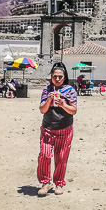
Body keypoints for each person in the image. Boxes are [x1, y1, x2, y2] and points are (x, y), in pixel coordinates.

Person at [37, 63, 77, 197]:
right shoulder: (47, 90)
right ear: (51, 77)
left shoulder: (70, 90)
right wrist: (49, 100)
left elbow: (73, 110)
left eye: (60, 77)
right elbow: (42, 109)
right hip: (48, 128)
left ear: (64, 77)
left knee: (61, 157)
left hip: (64, 128)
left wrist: (63, 105)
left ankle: (59, 183)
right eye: (55, 77)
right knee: (44, 154)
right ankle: (45, 183)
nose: (58, 79)